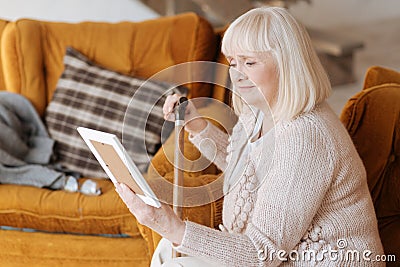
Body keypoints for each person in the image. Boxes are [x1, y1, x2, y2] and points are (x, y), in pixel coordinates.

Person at [115, 6, 385, 266]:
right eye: (233, 62)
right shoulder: (257, 111)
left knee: (174, 253)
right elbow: (248, 171)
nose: (237, 74)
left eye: (250, 62)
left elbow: (261, 253)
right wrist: (197, 125)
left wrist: (173, 227)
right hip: (272, 257)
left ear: (287, 64)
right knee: (167, 250)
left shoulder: (305, 137)